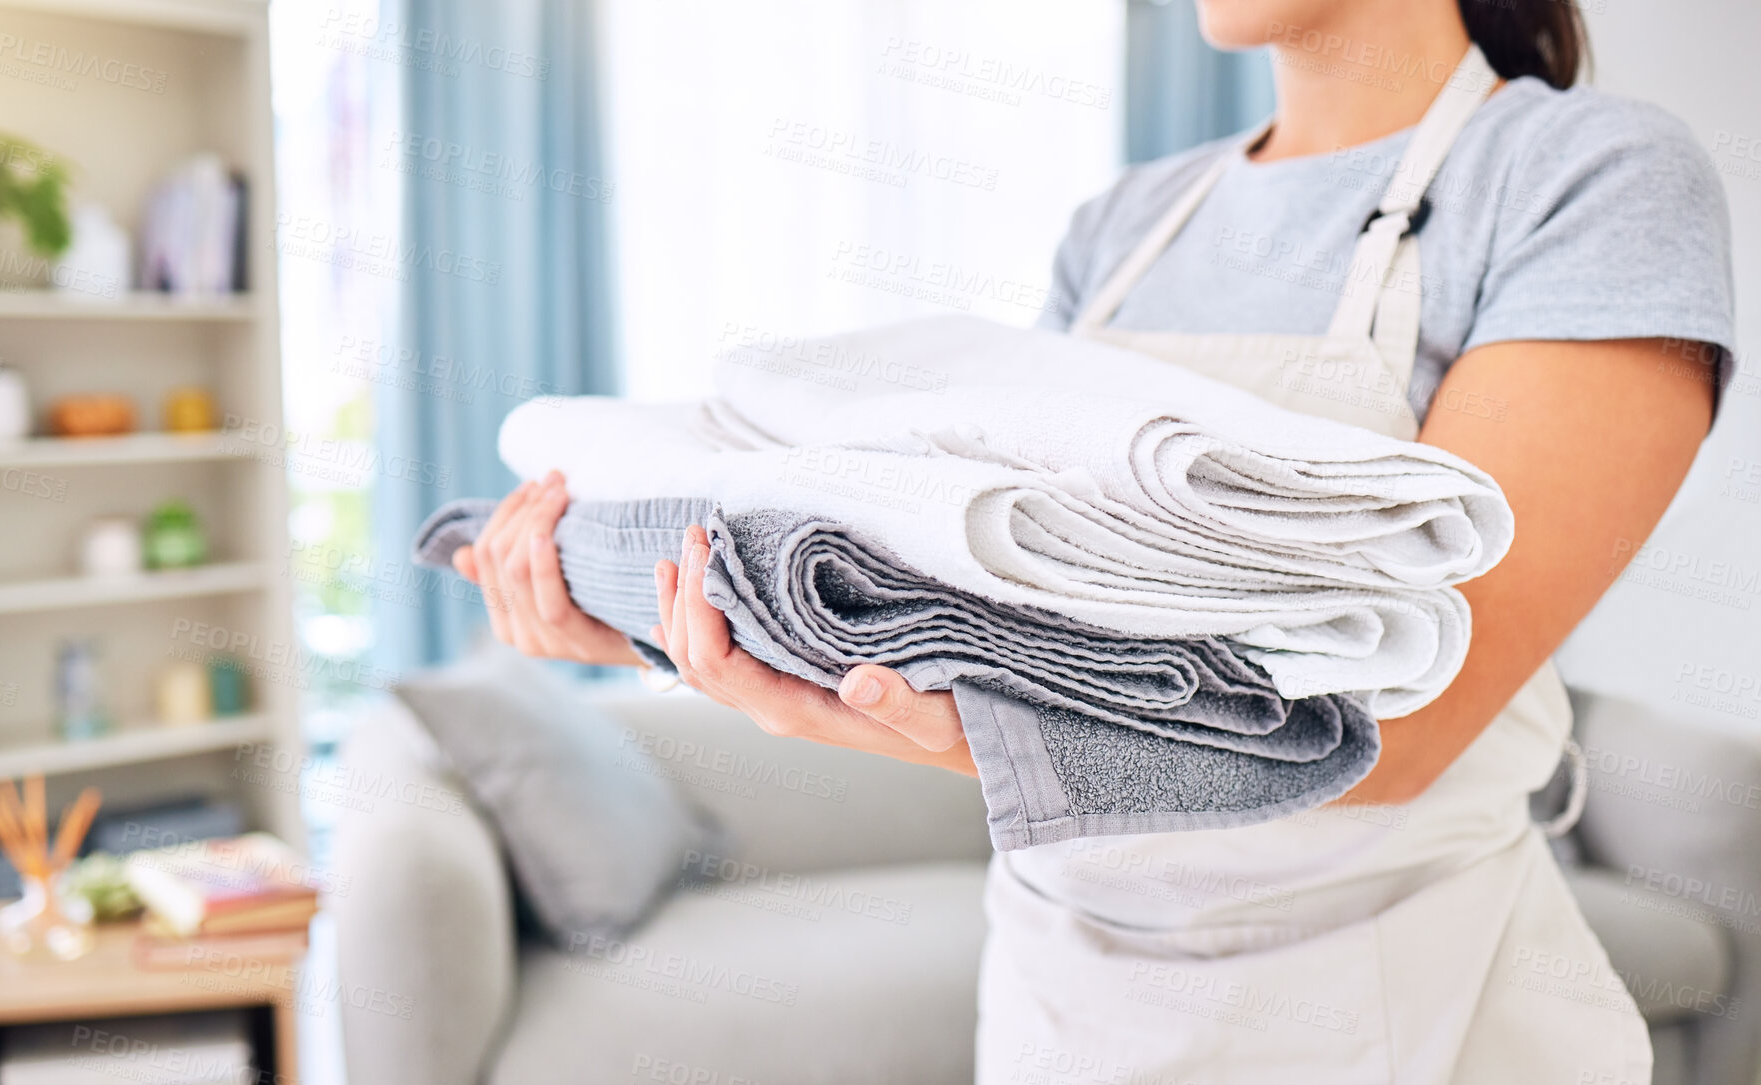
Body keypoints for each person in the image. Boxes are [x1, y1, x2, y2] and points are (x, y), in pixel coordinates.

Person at [454, 0, 1734, 1078]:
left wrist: (979, 728)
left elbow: (1396, 721)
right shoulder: (1129, 223)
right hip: (1067, 990)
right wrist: (702, 623)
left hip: (1401, 997)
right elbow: (1003, 606)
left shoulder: (1587, 177)